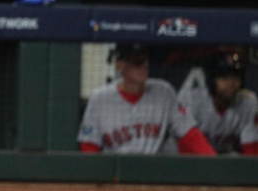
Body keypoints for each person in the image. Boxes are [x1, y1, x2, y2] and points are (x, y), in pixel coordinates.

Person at [78, 43, 215, 155]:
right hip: (116, 173)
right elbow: (89, 145)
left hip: (153, 171)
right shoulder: (100, 98)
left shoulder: (164, 92)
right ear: (119, 66)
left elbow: (190, 135)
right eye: (137, 62)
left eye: (145, 60)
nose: (144, 66)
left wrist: (214, 165)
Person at [179, 53, 258, 155]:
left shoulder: (248, 102)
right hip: (187, 158)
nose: (231, 83)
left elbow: (251, 150)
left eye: (235, 77)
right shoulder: (192, 100)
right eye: (224, 77)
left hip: (220, 157)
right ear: (212, 80)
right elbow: (184, 144)